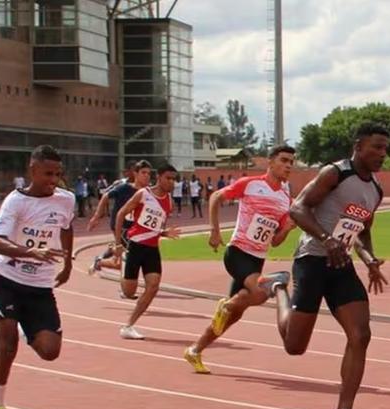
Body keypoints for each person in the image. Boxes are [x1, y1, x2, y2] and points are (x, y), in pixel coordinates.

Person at [264, 122, 390, 409]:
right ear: (358, 145)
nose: (382, 154)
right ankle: (278, 288)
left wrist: (369, 259)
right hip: (312, 260)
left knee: (361, 334)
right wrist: (327, 239)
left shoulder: (375, 189)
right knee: (295, 347)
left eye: (386, 148)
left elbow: (361, 228)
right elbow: (297, 209)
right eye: (376, 146)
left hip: (341, 265)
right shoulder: (335, 173)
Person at [0, 145, 76, 409]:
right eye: (48, 173)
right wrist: (31, 253)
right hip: (4, 280)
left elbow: (67, 227)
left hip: (40, 286)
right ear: (32, 170)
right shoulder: (16, 202)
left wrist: (68, 262)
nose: (54, 179)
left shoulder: (66, 200)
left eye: (58, 174)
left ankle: (26, 328)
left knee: (50, 351)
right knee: (7, 345)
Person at [183, 145, 298, 374]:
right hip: (237, 252)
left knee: (233, 315)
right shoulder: (251, 184)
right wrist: (214, 231)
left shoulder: (286, 198)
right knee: (261, 291)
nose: (288, 166)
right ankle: (226, 305)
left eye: (291, 163)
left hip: (257, 259)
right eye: (284, 160)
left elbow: (275, 241)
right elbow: (216, 196)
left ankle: (195, 350)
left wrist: (287, 229)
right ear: (270, 162)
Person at [113, 164, 181, 340]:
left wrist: (165, 233)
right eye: (168, 178)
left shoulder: (169, 202)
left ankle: (128, 326)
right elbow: (121, 213)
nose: (171, 182)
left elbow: (156, 227)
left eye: (174, 179)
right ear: (158, 177)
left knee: (153, 286)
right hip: (135, 245)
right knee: (129, 292)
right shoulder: (143, 194)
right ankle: (122, 271)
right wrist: (118, 243)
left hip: (152, 249)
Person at [88, 161, 152, 274]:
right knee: (129, 261)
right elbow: (105, 196)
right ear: (134, 173)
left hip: (134, 228)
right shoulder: (122, 186)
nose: (146, 176)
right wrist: (96, 216)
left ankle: (104, 257)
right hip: (121, 226)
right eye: (143, 173)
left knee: (120, 263)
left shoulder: (147, 190)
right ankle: (125, 287)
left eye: (149, 173)